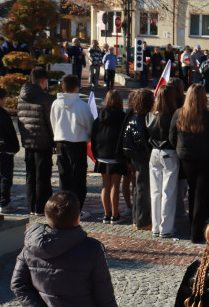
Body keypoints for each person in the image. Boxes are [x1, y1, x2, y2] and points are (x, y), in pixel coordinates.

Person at [10, 191, 120, 307]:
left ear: (47, 216)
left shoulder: (30, 246)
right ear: (77, 218)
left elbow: (18, 284)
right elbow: (103, 292)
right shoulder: (92, 248)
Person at [171, 84, 209, 244]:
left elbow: (172, 137)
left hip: (186, 158)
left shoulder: (179, 114)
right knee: (202, 196)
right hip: (205, 160)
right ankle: (197, 231)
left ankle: (194, 226)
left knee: (193, 193)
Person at [50, 74, 93, 213]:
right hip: (78, 143)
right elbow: (90, 125)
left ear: (62, 87)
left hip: (61, 142)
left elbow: (53, 123)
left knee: (64, 177)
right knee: (78, 178)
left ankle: (63, 207)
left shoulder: (55, 104)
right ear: (77, 87)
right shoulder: (82, 105)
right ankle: (76, 209)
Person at [17, 67, 55, 216]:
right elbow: (50, 123)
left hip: (28, 141)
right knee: (43, 176)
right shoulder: (46, 99)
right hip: (43, 142)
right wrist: (54, 142)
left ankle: (32, 206)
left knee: (30, 175)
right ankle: (41, 207)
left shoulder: (21, 97)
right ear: (42, 81)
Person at [148, 84, 179, 238]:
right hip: (169, 152)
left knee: (155, 192)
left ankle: (156, 226)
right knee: (168, 192)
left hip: (154, 152)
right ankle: (165, 228)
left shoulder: (151, 114)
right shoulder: (173, 114)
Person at [91, 90, 127, 223]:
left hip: (101, 154)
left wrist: (95, 154)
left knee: (105, 185)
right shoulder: (122, 117)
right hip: (116, 156)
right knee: (115, 186)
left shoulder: (99, 116)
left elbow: (93, 136)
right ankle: (115, 215)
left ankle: (106, 214)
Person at [123, 89, 153, 229]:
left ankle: (137, 218)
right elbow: (142, 140)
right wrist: (148, 154)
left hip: (136, 157)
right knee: (143, 188)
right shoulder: (142, 119)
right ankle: (142, 220)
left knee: (138, 188)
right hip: (142, 158)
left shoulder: (133, 117)